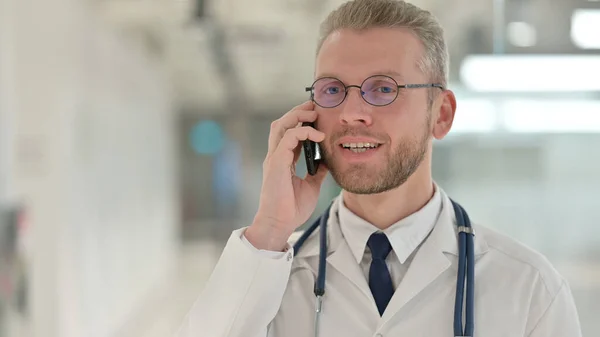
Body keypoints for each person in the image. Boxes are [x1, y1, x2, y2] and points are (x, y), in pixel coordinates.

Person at [176, 0, 582, 336]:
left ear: (441, 114)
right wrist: (268, 228)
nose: (353, 113)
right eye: (333, 90)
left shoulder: (530, 290)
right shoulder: (266, 275)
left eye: (384, 89)